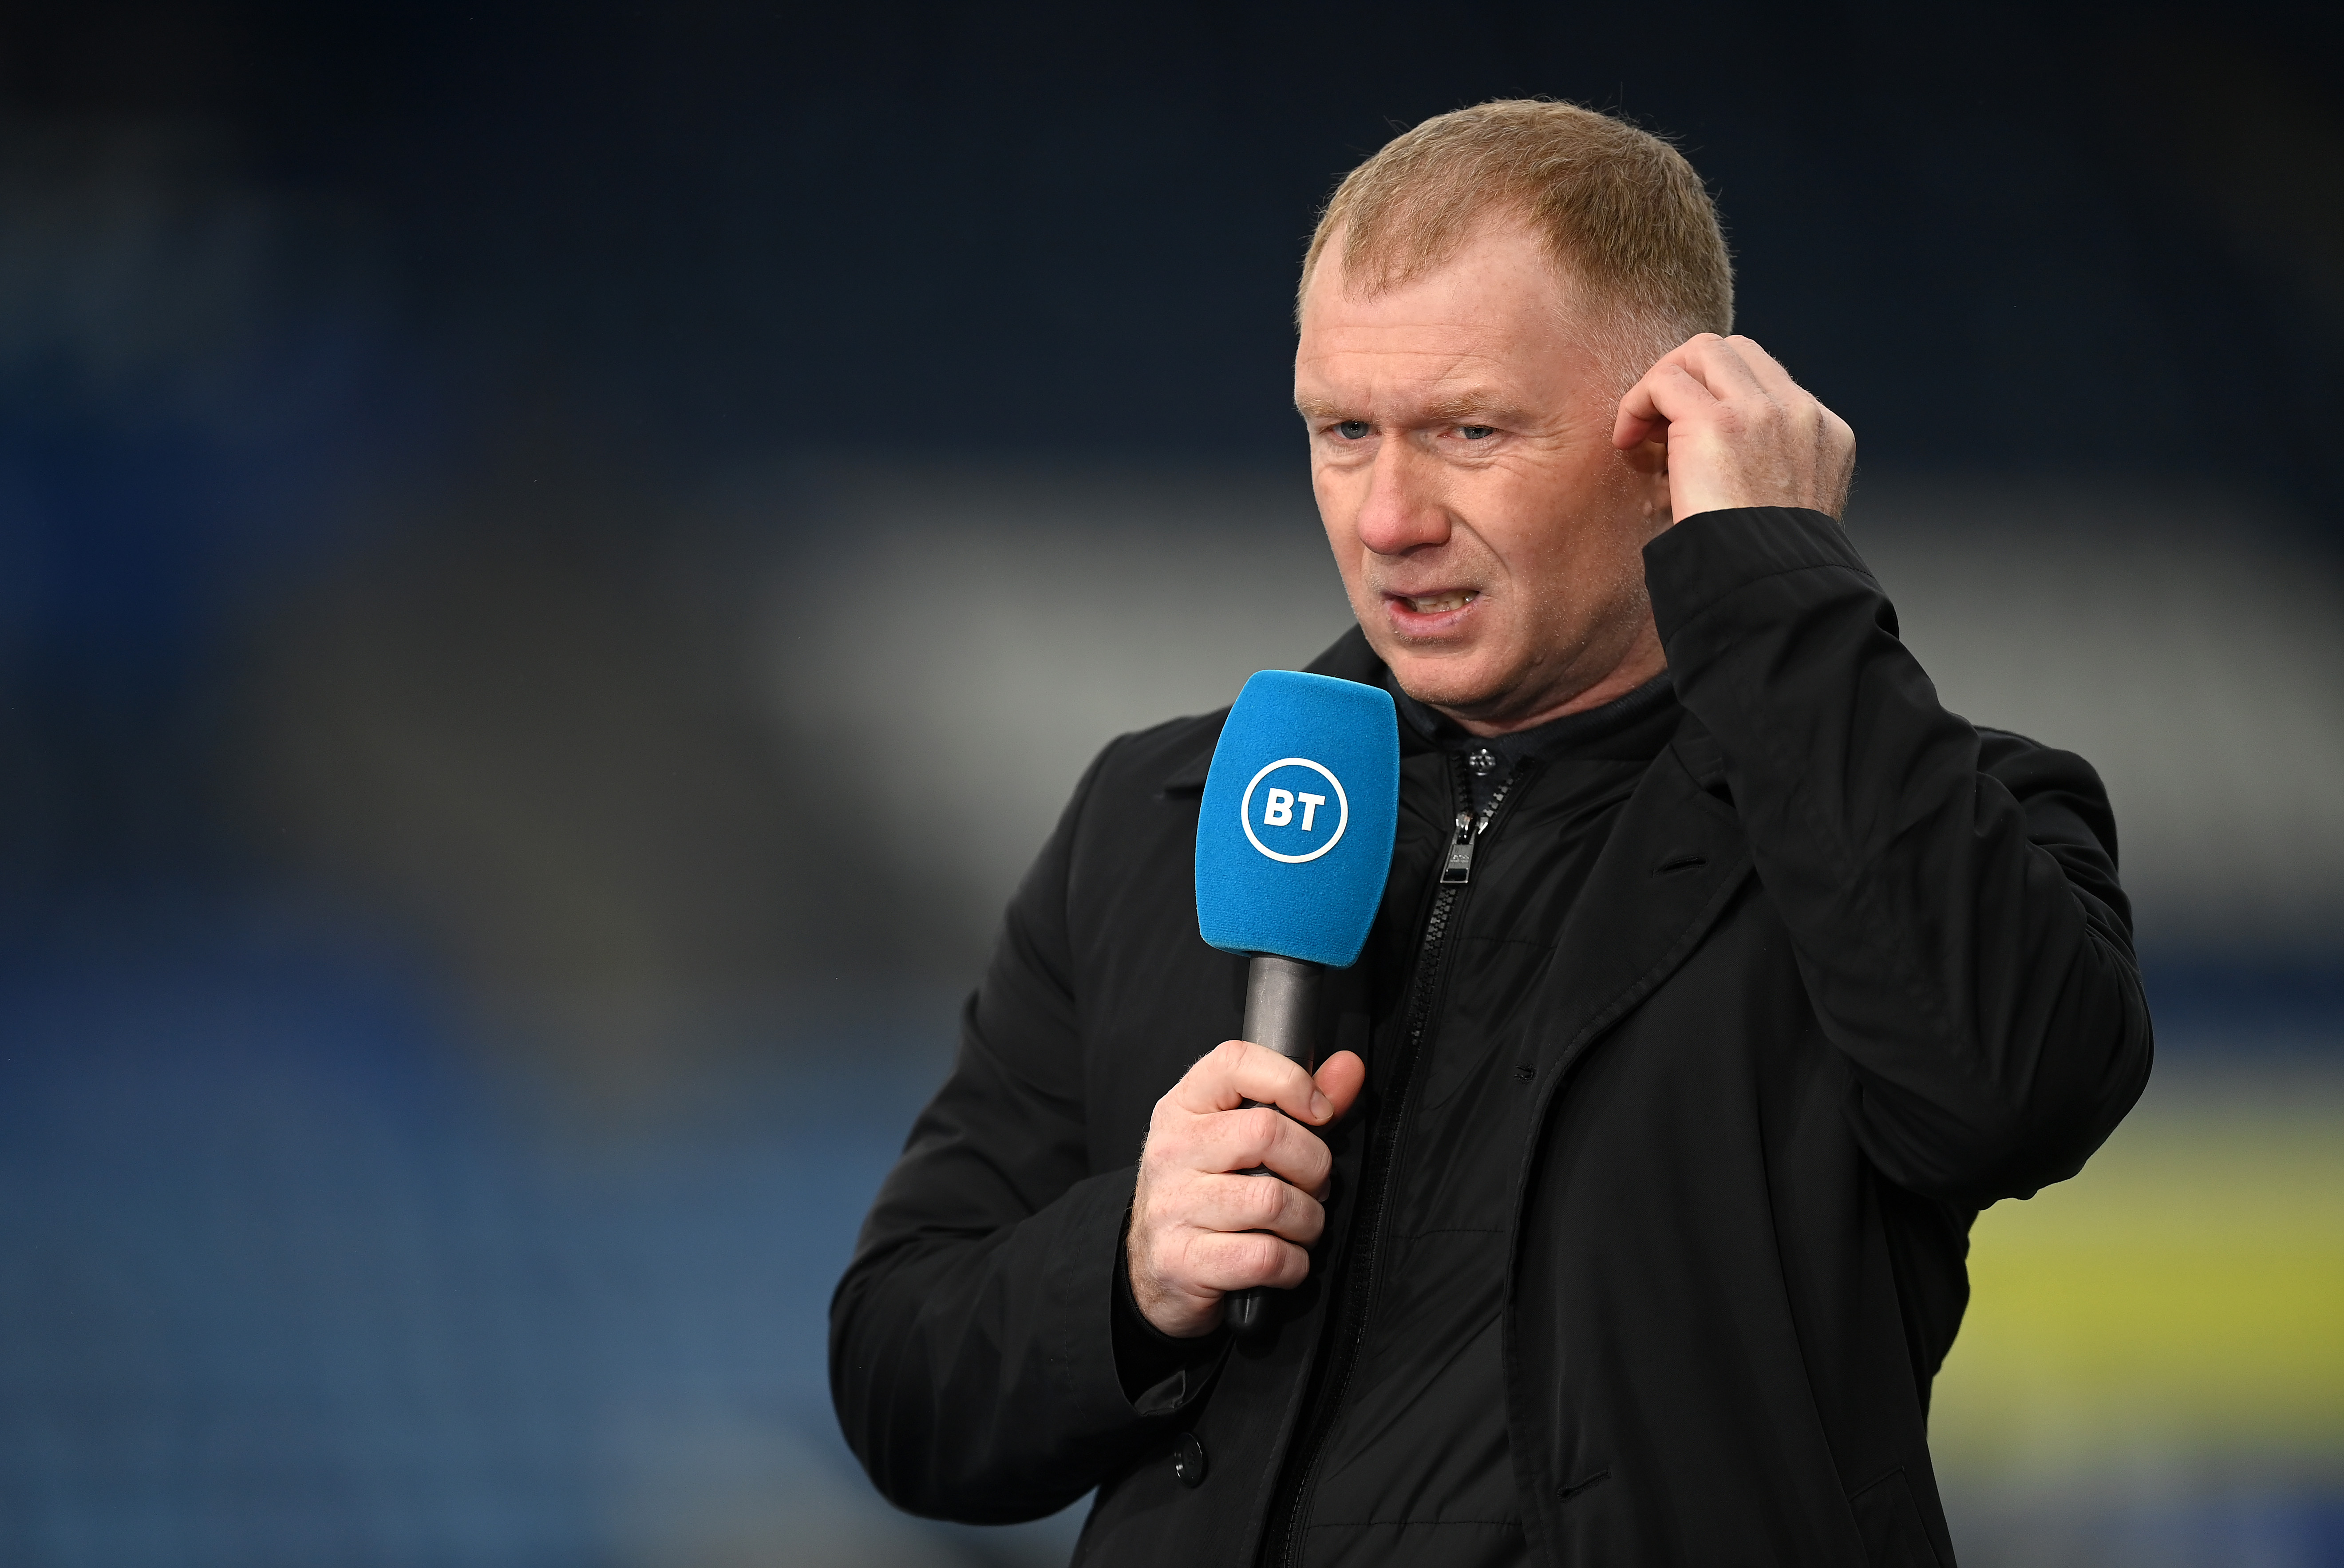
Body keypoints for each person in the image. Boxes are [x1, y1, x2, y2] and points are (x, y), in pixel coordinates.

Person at [829, 99, 2151, 1568]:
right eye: (1343, 432)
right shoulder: (1165, 812)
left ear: (1671, 440)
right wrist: (1129, 1267)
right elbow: (898, 1381)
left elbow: (2014, 1094)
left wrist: (1780, 584)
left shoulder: (1924, 813)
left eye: (1469, 431)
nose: (1387, 517)